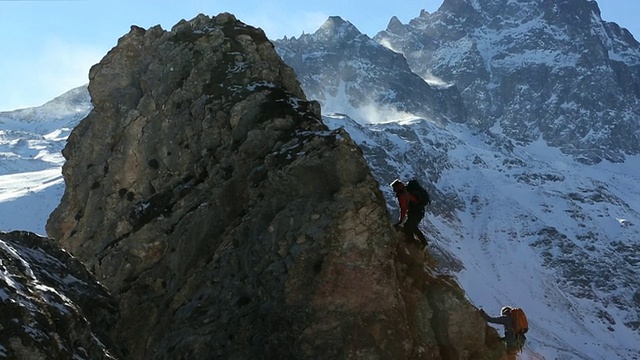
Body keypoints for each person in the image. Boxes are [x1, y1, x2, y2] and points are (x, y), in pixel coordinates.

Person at [390, 179, 427, 246]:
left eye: (394, 188)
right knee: (412, 226)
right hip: (418, 211)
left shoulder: (402, 195)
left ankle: (414, 242)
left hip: (415, 212)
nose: (393, 190)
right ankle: (420, 243)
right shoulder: (406, 191)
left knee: (408, 226)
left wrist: (400, 221)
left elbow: (403, 209)